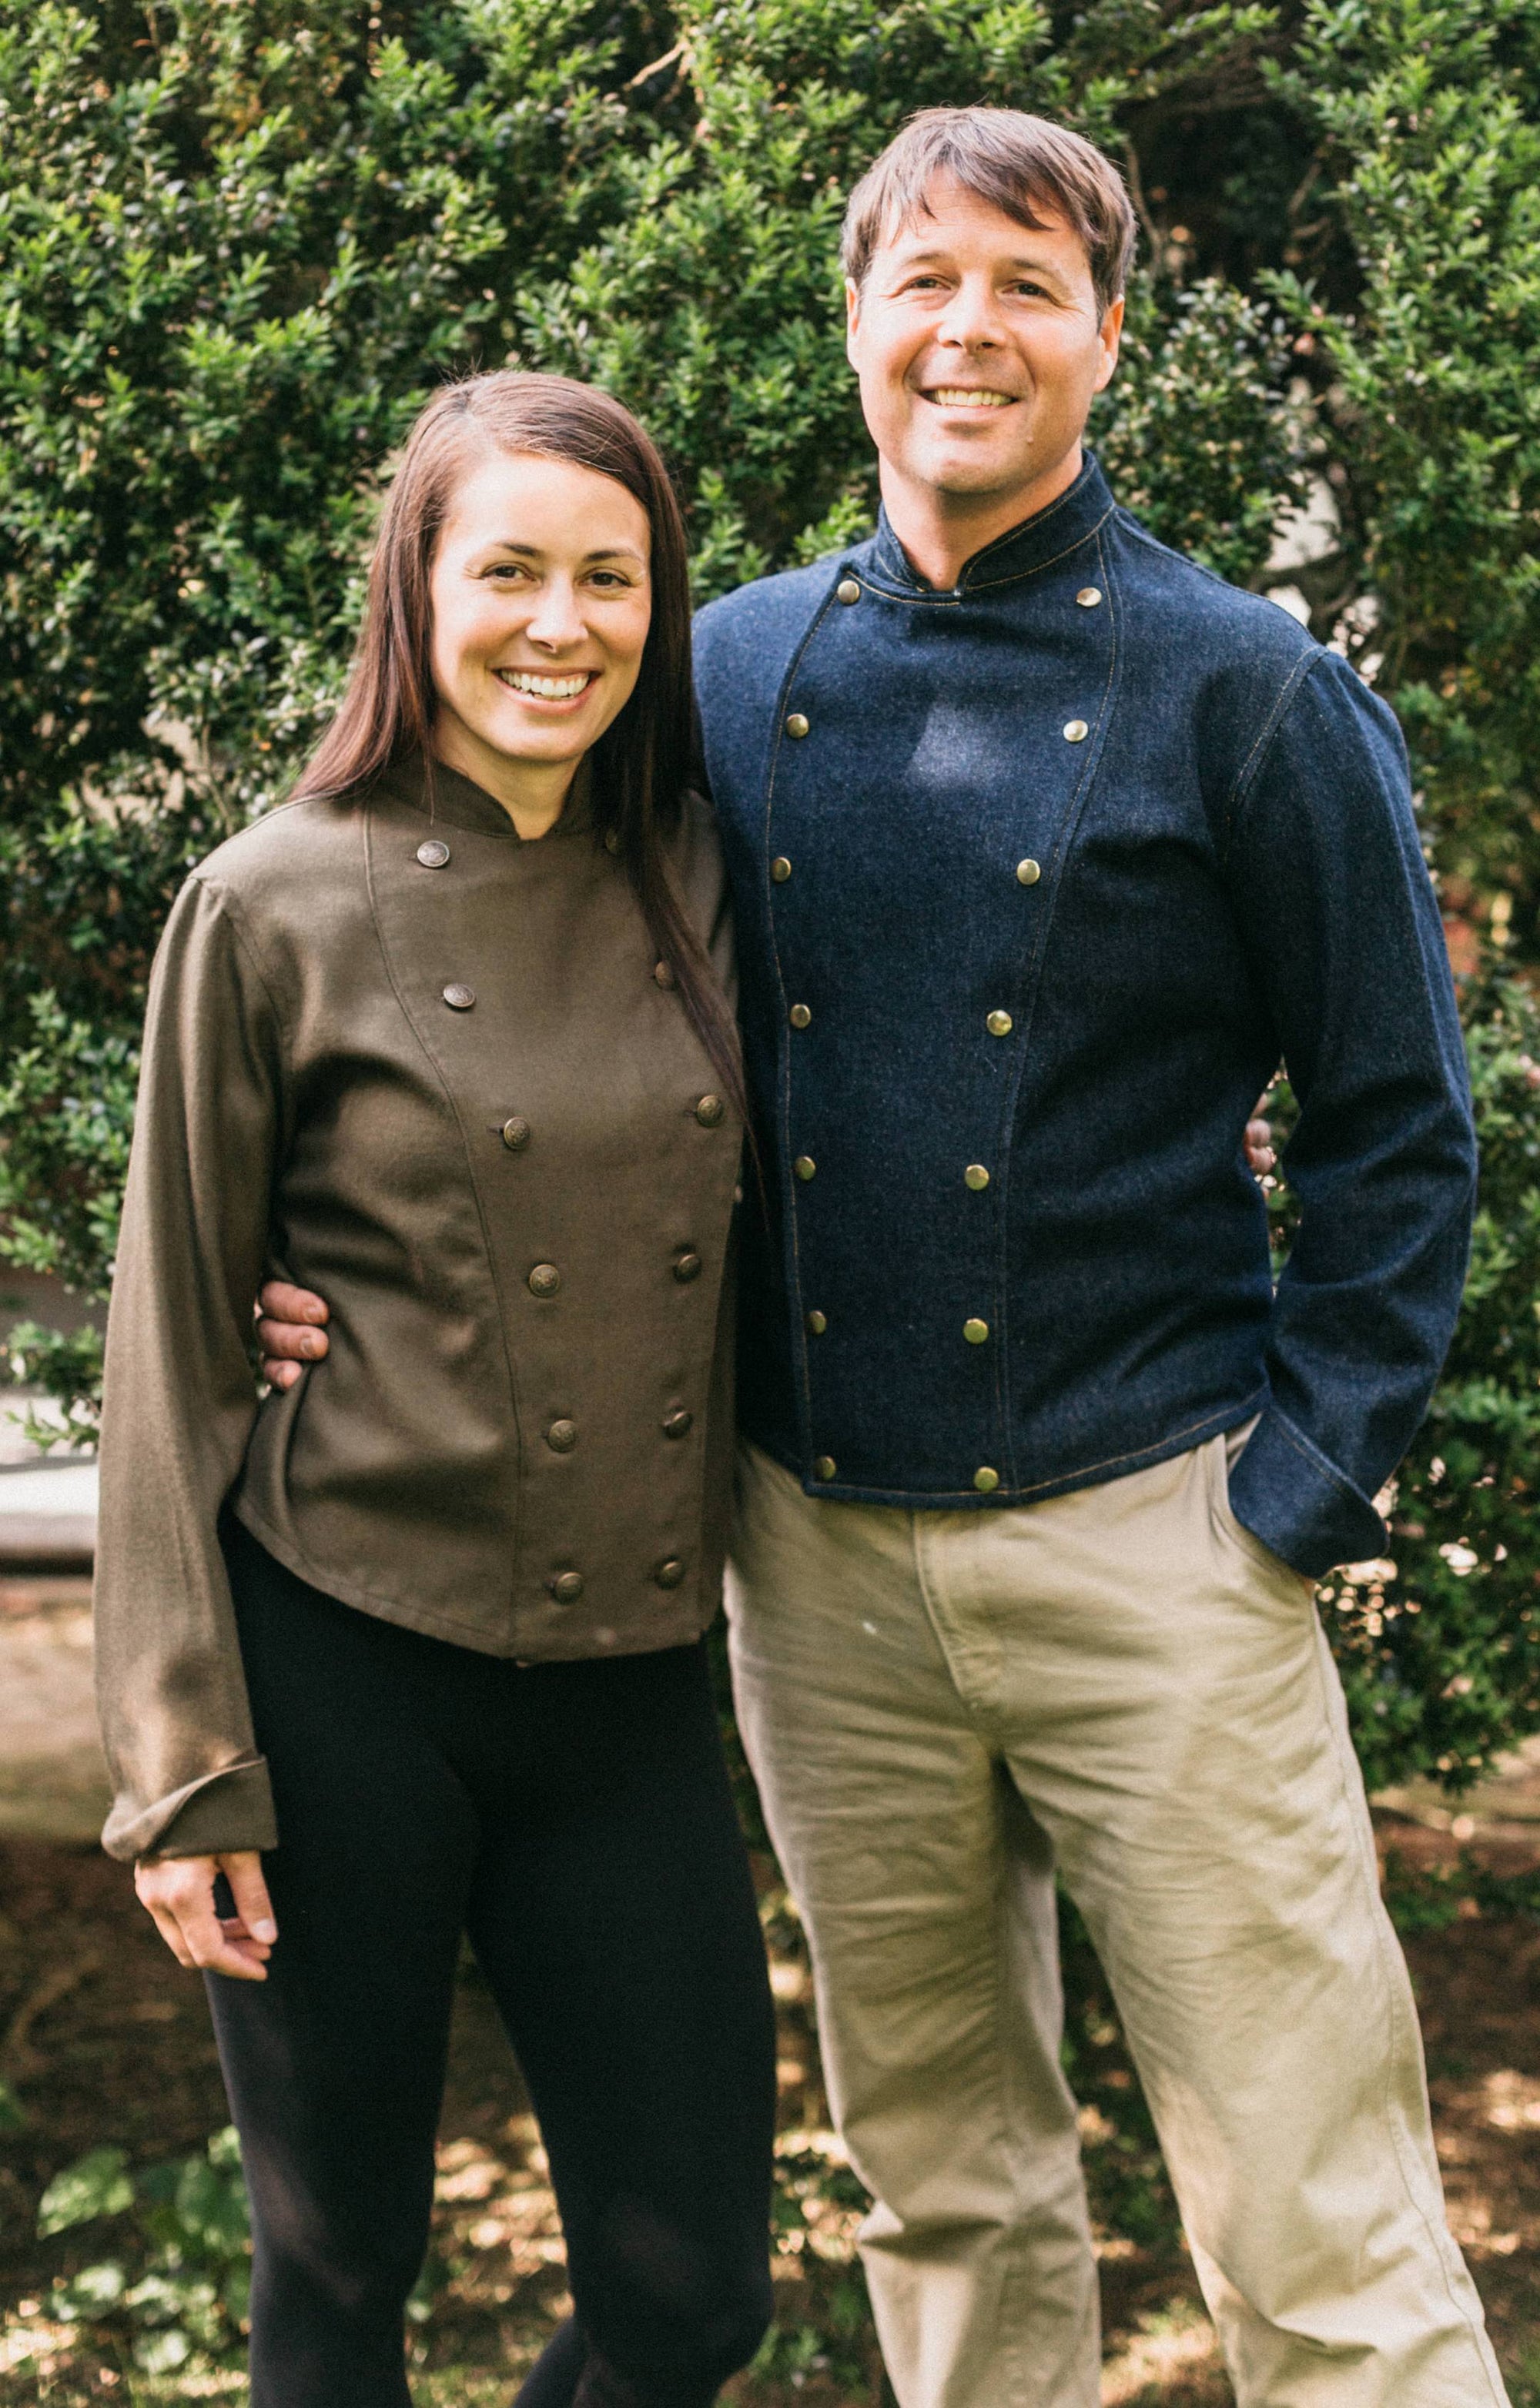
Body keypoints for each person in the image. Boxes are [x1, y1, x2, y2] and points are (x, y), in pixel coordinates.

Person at [256, 105, 1503, 2408]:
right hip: (816, 1571)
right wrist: (329, 1262)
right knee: (946, 2192)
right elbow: (492, 986)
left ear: (1108, 340)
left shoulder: (1247, 689)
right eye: (927, 280)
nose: (973, 331)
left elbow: (1400, 1132)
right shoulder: (712, 678)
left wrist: (1296, 1504)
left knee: (1319, 2237)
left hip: (1162, 1542)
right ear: (854, 326)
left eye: (1032, 287)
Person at [94, 372, 775, 2408]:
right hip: (344, 1681)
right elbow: (174, 1353)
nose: (558, 625)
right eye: (509, 573)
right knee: (340, 2273)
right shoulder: (271, 901)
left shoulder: (714, 876)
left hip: (641, 1685)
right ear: (419, 590)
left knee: (691, 2294)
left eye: (608, 579)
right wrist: (181, 1769)